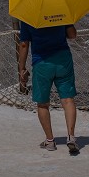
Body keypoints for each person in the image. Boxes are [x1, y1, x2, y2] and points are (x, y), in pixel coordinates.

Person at [17, 20, 80, 155]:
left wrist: (21, 68)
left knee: (43, 104)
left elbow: (23, 44)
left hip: (42, 63)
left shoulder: (29, 17)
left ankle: (50, 140)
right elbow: (73, 35)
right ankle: (71, 137)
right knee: (68, 100)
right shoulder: (61, 11)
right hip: (63, 59)